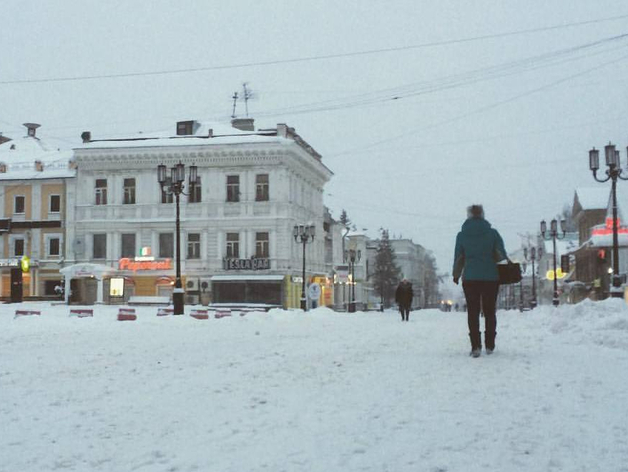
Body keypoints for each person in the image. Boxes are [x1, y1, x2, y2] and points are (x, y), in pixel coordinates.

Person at [452, 204, 507, 358]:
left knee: (473, 311)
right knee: (490, 311)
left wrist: (456, 274)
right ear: (483, 215)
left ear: (468, 215)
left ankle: (475, 347)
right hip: (491, 277)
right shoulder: (492, 233)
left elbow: (459, 257)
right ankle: (490, 345)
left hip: (470, 278)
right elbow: (501, 254)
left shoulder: (461, 235)